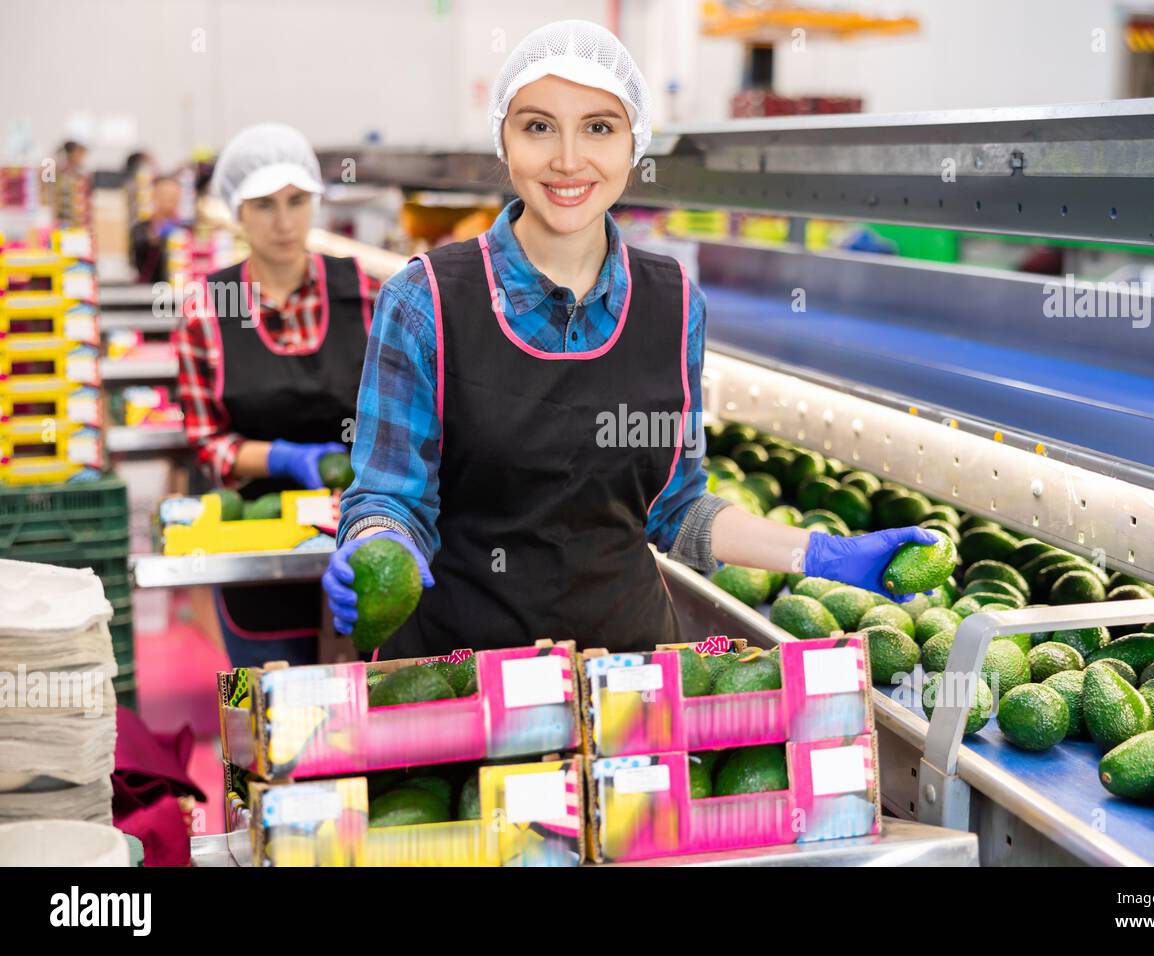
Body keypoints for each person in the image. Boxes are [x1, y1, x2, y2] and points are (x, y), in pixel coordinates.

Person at [325, 20, 936, 658]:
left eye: (599, 127)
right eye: (538, 126)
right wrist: (377, 544)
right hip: (463, 675)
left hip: (628, 678)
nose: (568, 158)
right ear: (502, 141)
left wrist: (818, 552)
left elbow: (674, 506)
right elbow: (390, 496)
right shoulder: (426, 300)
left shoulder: (673, 303)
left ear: (633, 145)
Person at [177, 123, 378, 668]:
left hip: (359, 526)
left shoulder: (364, 291)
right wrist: (289, 457)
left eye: (296, 201)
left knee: (361, 717)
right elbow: (206, 442)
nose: (285, 222)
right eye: (264, 205)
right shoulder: (207, 308)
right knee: (256, 707)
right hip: (256, 541)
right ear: (235, 211)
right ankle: (243, 758)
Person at [129, 174, 181, 285]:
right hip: (150, 292)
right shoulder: (141, 229)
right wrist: (153, 240)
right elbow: (136, 257)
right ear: (154, 196)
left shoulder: (185, 229)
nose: (169, 199)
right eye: (165, 194)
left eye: (174, 195)